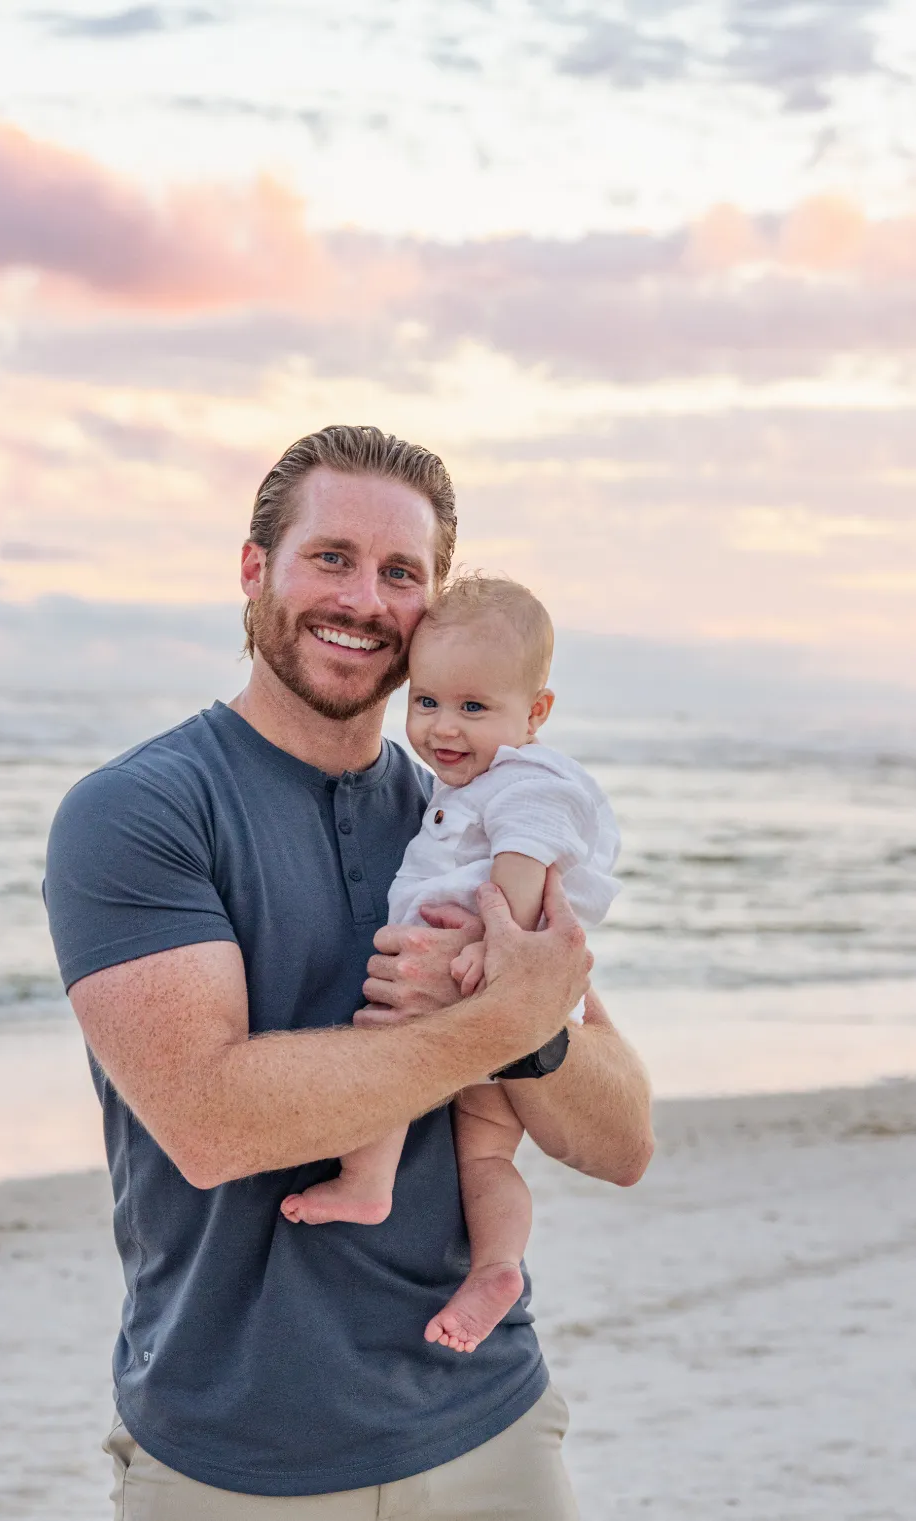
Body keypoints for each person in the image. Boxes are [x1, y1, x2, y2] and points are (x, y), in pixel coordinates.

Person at [44, 425, 654, 1519]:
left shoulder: (464, 822)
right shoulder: (140, 812)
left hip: (490, 1424)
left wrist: (540, 1033)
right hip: (233, 1460)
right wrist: (491, 1023)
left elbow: (618, 1141)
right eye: (331, 557)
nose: (364, 598)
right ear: (254, 569)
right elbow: (211, 1121)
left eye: (401, 573)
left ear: (434, 607)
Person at [281, 573, 622, 1361]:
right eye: (427, 701)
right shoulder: (471, 781)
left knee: (382, 1035)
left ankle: (368, 1181)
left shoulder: (529, 781)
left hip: (469, 983)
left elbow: (525, 861)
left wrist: (482, 952)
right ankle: (497, 1266)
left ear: (536, 713)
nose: (444, 727)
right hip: (502, 1005)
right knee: (485, 1151)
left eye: (475, 708)